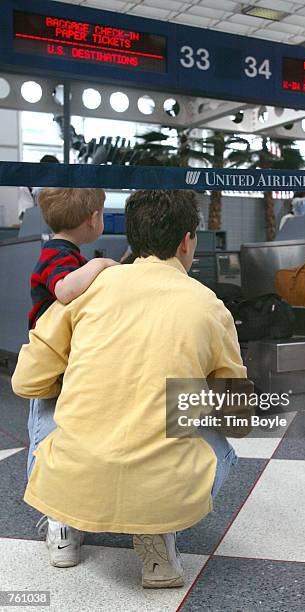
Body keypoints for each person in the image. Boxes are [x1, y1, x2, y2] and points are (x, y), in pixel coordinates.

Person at [12, 189, 251, 589]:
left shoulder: (85, 291)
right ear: (187, 241)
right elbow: (239, 417)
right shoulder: (209, 305)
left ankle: (63, 524)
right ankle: (158, 540)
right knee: (219, 440)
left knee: (50, 403)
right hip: (162, 487)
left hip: (72, 477)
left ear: (132, 240)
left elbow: (26, 382)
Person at [25, 187, 119, 567]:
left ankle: (64, 515)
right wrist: (100, 266)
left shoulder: (64, 254)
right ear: (93, 218)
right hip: (51, 367)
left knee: (59, 435)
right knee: (46, 435)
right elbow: (65, 290)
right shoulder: (57, 256)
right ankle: (57, 520)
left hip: (65, 365)